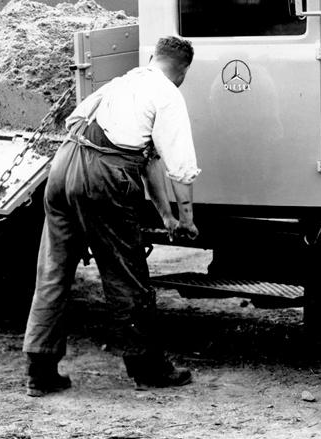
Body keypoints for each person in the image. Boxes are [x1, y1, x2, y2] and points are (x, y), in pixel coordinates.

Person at [22, 36, 200, 395]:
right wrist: (187, 220)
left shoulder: (124, 81)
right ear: (182, 71)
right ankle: (148, 369)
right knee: (126, 276)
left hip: (62, 167)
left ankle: (39, 371)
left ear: (153, 57)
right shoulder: (168, 93)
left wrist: (164, 215)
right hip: (103, 177)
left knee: (54, 268)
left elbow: (146, 160)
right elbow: (180, 168)